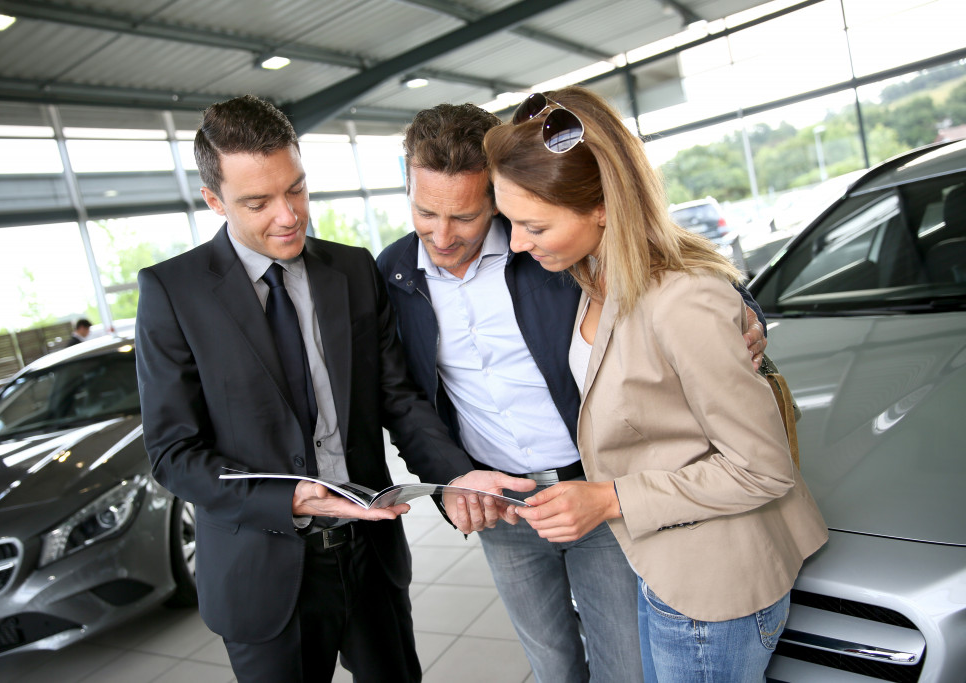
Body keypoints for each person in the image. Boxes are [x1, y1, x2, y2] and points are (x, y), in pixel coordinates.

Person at [134, 95, 533, 683]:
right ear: (214, 201)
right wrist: (291, 499)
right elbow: (173, 456)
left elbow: (397, 398)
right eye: (258, 202)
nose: (289, 215)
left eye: (295, 189)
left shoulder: (350, 270)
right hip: (263, 571)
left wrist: (455, 475)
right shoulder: (173, 293)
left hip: (370, 556)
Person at [376, 103, 769, 682]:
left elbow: (655, 258)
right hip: (501, 504)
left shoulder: (547, 240)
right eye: (424, 211)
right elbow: (403, 397)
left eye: (464, 216)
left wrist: (745, 314)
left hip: (595, 482)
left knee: (626, 664)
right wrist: (452, 480)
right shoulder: (391, 275)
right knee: (551, 664)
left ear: (499, 191)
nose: (441, 235)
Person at [484, 86, 828, 682]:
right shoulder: (594, 277)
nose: (515, 242)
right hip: (663, 565)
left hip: (712, 590)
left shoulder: (682, 301)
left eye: (532, 224)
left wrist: (609, 499)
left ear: (602, 207)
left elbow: (762, 469)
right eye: (509, 221)